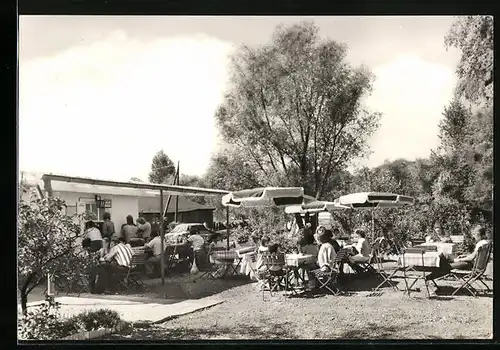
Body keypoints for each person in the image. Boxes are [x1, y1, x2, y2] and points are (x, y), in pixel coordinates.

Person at [426, 225, 490, 285]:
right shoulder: (485, 243)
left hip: (469, 265)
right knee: (446, 256)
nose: (473, 236)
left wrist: (459, 260)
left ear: (478, 234)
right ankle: (439, 261)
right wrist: (465, 256)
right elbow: (473, 256)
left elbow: (472, 258)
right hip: (471, 263)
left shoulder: (481, 244)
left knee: (445, 266)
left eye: (474, 234)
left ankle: (429, 276)